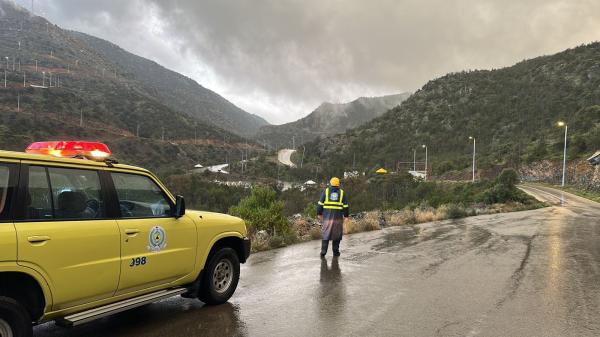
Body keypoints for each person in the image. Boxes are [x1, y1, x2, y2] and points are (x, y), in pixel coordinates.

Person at [317, 177, 349, 257]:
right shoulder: (342, 193)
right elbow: (345, 206)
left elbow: (320, 204)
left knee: (326, 235)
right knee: (336, 235)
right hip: (338, 219)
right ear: (338, 184)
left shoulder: (326, 191)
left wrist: (319, 213)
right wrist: (346, 216)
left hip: (327, 219)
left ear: (330, 183)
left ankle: (323, 252)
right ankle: (336, 252)